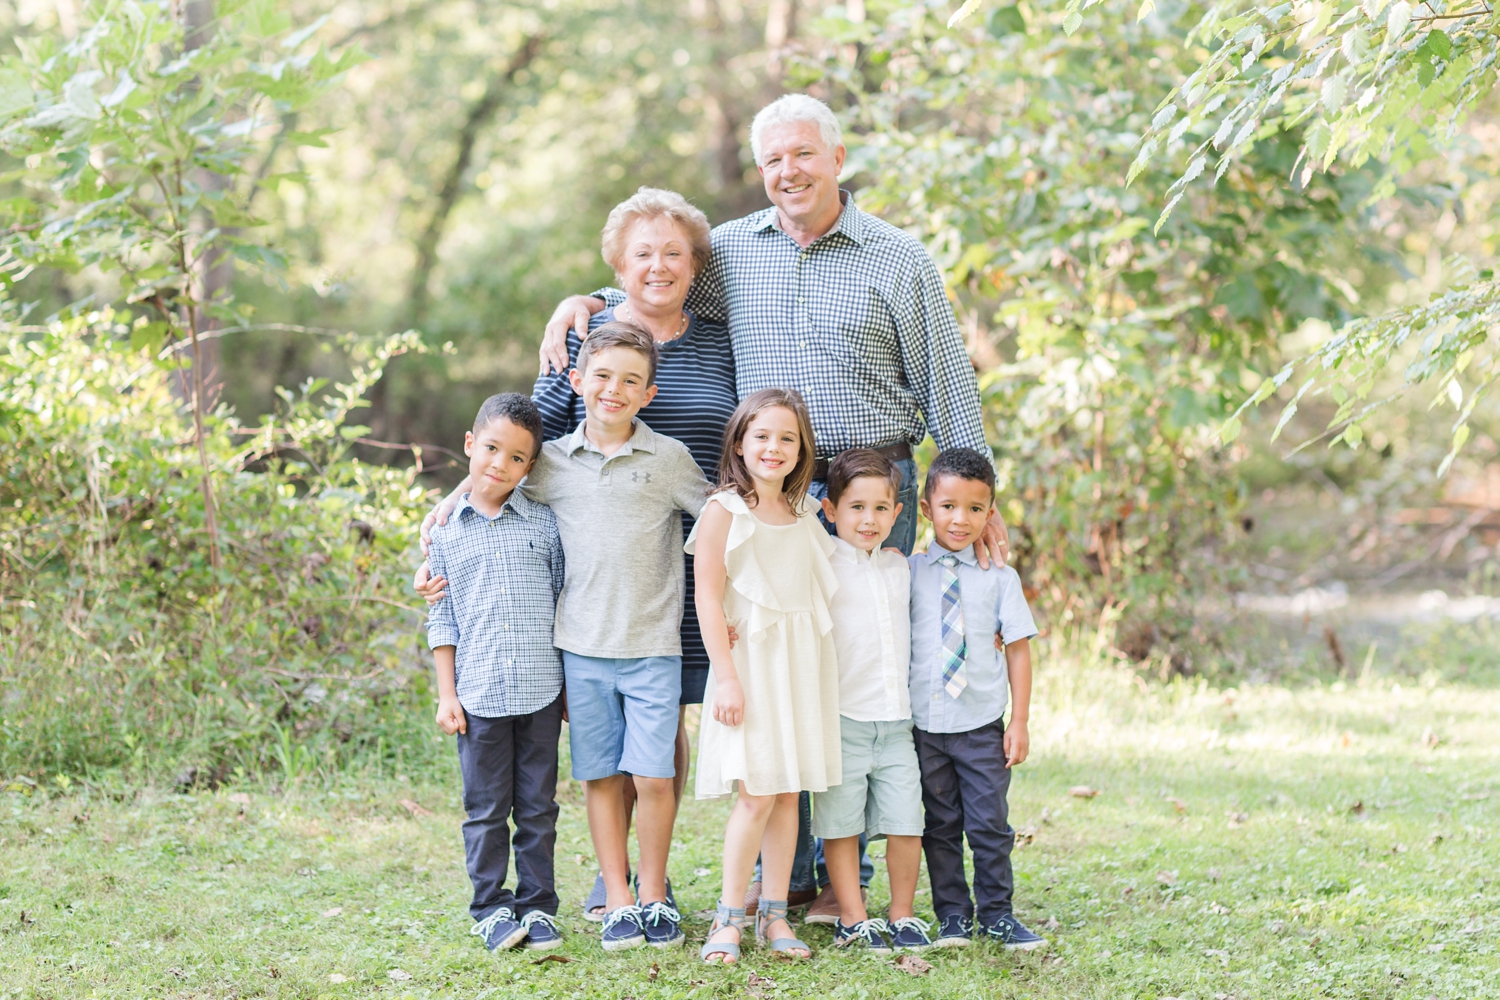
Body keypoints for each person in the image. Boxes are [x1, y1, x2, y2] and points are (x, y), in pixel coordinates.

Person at [538, 92, 1010, 918]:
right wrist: (581, 304)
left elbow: (949, 385)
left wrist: (977, 492)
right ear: (761, 172)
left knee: (857, 680)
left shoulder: (899, 259)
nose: (787, 172)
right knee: (771, 679)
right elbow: (656, 279)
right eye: (772, 161)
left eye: (802, 155)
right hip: (764, 497)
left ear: (835, 158)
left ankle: (839, 880)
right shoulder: (730, 251)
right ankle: (771, 875)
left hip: (869, 492)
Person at [531, 188, 738, 920]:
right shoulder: (588, 335)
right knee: (604, 734)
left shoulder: (720, 334)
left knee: (668, 718)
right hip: (604, 563)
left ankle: (654, 881)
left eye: (674, 253)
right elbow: (535, 431)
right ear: (616, 266)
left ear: (695, 266)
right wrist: (468, 490)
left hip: (689, 555)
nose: (658, 266)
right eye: (642, 253)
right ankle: (612, 881)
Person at [495, 323, 710, 951]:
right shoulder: (552, 462)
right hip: (582, 650)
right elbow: (493, 484)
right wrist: (444, 513)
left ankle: (653, 892)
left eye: (631, 381)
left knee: (655, 777)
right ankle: (617, 897)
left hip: (653, 648)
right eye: (603, 376)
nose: (614, 389)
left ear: (648, 394)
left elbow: (722, 513)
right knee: (600, 777)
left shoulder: (668, 458)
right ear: (577, 380)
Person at [689, 388, 841, 964]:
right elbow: (707, 596)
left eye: (787, 438)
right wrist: (725, 678)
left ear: (802, 450)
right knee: (755, 796)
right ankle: (729, 919)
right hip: (750, 669)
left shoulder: (804, 515)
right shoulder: (724, 511)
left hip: (799, 668)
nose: (774, 447)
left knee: (787, 796)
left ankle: (775, 916)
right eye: (762, 436)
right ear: (739, 442)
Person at [426, 393, 566, 953]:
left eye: (516, 458)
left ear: (529, 467)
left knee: (538, 807)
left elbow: (562, 599)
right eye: (491, 449)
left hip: (540, 694)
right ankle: (489, 907)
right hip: (478, 696)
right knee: (485, 810)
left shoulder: (544, 525)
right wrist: (446, 695)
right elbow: (442, 620)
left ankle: (538, 905)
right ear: (470, 444)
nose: (499, 464)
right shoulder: (444, 532)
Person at [908, 448, 1046, 950]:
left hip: (982, 722)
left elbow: (1018, 649)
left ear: (991, 514)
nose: (959, 519)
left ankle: (997, 914)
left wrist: (1021, 721)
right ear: (927, 509)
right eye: (947, 506)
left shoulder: (1000, 578)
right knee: (939, 825)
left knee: (990, 824)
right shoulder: (908, 573)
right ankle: (952, 916)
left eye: (974, 508)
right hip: (924, 726)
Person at [813, 449, 930, 953]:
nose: (869, 519)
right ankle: (853, 916)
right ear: (830, 509)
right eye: (856, 507)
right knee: (841, 825)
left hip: (896, 719)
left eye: (881, 508)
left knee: (907, 821)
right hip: (842, 717)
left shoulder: (900, 567)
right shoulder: (820, 563)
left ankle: (901, 913)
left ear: (897, 513)